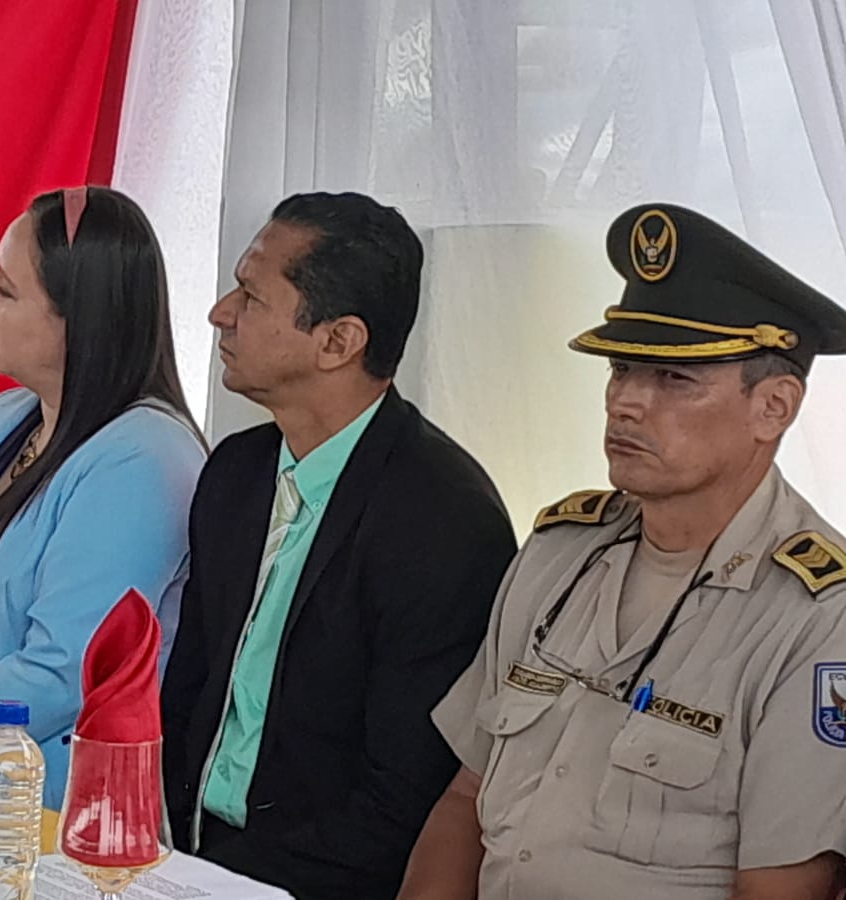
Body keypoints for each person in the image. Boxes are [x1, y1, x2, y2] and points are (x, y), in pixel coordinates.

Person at [398, 203, 846, 900]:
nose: (626, 402)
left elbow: (782, 889)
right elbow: (465, 800)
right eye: (621, 368)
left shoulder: (817, 614)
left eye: (675, 379)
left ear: (774, 408)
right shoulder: (558, 552)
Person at [160, 192, 515, 899]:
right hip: (188, 862)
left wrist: (218, 886)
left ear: (338, 342)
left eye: (251, 296)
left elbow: (403, 799)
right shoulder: (235, 473)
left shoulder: (442, 518)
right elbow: (186, 695)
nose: (221, 313)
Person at [0, 186, 206, 808]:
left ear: (81, 317)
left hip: (24, 798)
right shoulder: (3, 418)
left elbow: (62, 673)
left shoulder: (144, 457)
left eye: (8, 291)